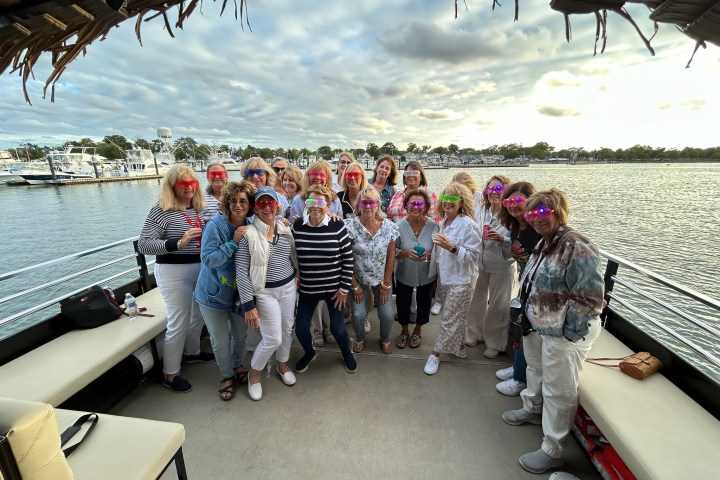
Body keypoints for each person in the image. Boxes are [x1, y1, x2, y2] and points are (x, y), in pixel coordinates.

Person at [502, 188, 604, 474]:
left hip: (561, 332)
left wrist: (566, 335)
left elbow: (590, 299)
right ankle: (532, 408)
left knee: (560, 390)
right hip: (539, 325)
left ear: (558, 212)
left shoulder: (576, 245)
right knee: (535, 369)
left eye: (543, 212)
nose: (536, 218)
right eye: (532, 213)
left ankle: (553, 449)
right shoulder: (545, 243)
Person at [138, 165, 214, 393]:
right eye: (183, 185)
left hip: (201, 269)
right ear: (172, 186)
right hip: (174, 272)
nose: (190, 189)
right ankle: (170, 374)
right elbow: (144, 244)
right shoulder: (160, 210)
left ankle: (192, 353)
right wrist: (176, 243)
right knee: (179, 320)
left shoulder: (200, 207)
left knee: (199, 313)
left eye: (193, 184)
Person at [235, 186, 298, 401]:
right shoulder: (248, 235)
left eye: (270, 203)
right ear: (255, 208)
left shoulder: (284, 228)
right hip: (265, 292)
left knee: (287, 329)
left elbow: (292, 256)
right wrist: (248, 306)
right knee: (272, 337)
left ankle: (281, 364)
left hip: (288, 287)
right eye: (261, 203)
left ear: (277, 206)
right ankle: (255, 373)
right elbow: (241, 273)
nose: (266, 207)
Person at [194, 181, 255, 401]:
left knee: (240, 335)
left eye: (243, 201)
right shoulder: (215, 225)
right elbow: (208, 259)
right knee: (219, 339)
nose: (238, 205)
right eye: (233, 201)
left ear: (249, 205)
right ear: (227, 203)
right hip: (212, 295)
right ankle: (227, 375)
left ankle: (238, 365)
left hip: (238, 295)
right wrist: (233, 242)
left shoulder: (251, 223)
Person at [292, 185, 357, 374]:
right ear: (305, 203)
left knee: (337, 329)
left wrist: (344, 288)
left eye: (320, 201)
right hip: (308, 290)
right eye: (311, 200)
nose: (315, 205)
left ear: (328, 205)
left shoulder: (337, 225)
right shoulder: (297, 226)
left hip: (334, 291)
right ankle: (309, 352)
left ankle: (346, 352)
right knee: (301, 330)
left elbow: (348, 258)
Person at [423, 182, 482, 375]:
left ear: (461, 202)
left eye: (452, 199)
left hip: (463, 280)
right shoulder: (444, 222)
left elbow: (475, 257)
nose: (447, 202)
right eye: (444, 198)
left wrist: (453, 248)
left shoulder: (468, 225)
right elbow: (442, 253)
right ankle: (459, 348)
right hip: (446, 277)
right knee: (459, 316)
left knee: (448, 318)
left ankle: (435, 354)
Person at [494, 181, 542, 397]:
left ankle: (522, 381)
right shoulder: (515, 226)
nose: (512, 206)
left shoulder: (538, 228)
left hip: (541, 289)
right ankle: (519, 370)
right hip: (525, 284)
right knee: (522, 328)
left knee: (530, 332)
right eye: (508, 201)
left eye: (518, 200)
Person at [466, 175, 515, 359]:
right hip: (479, 262)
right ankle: (474, 333)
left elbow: (519, 243)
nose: (493, 193)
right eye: (490, 189)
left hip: (502, 264)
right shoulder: (481, 209)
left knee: (498, 304)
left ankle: (495, 342)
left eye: (498, 189)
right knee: (476, 299)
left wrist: (503, 240)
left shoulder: (511, 214)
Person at [345, 187, 399, 354]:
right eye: (364, 202)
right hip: (358, 278)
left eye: (372, 202)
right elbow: (345, 258)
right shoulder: (349, 227)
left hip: (380, 279)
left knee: (387, 315)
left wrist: (387, 284)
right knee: (358, 314)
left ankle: (384, 338)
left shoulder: (389, 227)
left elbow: (391, 258)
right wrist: (354, 285)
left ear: (378, 205)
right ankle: (360, 338)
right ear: (358, 205)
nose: (368, 206)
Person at [394, 189, 438, 349]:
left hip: (427, 274)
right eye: (412, 203)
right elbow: (392, 251)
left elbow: (440, 252)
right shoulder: (398, 226)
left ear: (426, 206)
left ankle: (418, 330)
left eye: (420, 203)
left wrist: (430, 255)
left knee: (425, 302)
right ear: (406, 205)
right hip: (404, 273)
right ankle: (404, 330)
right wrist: (404, 253)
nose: (416, 206)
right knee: (402, 303)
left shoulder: (434, 226)